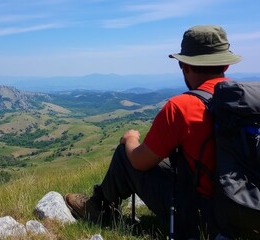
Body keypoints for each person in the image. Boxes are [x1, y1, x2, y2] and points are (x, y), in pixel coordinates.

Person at [64, 25, 242, 239]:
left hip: (203, 219)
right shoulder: (244, 102)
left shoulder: (181, 107)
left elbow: (139, 162)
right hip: (246, 209)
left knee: (125, 155)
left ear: (184, 65)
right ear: (226, 65)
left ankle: (97, 208)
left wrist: (130, 139)